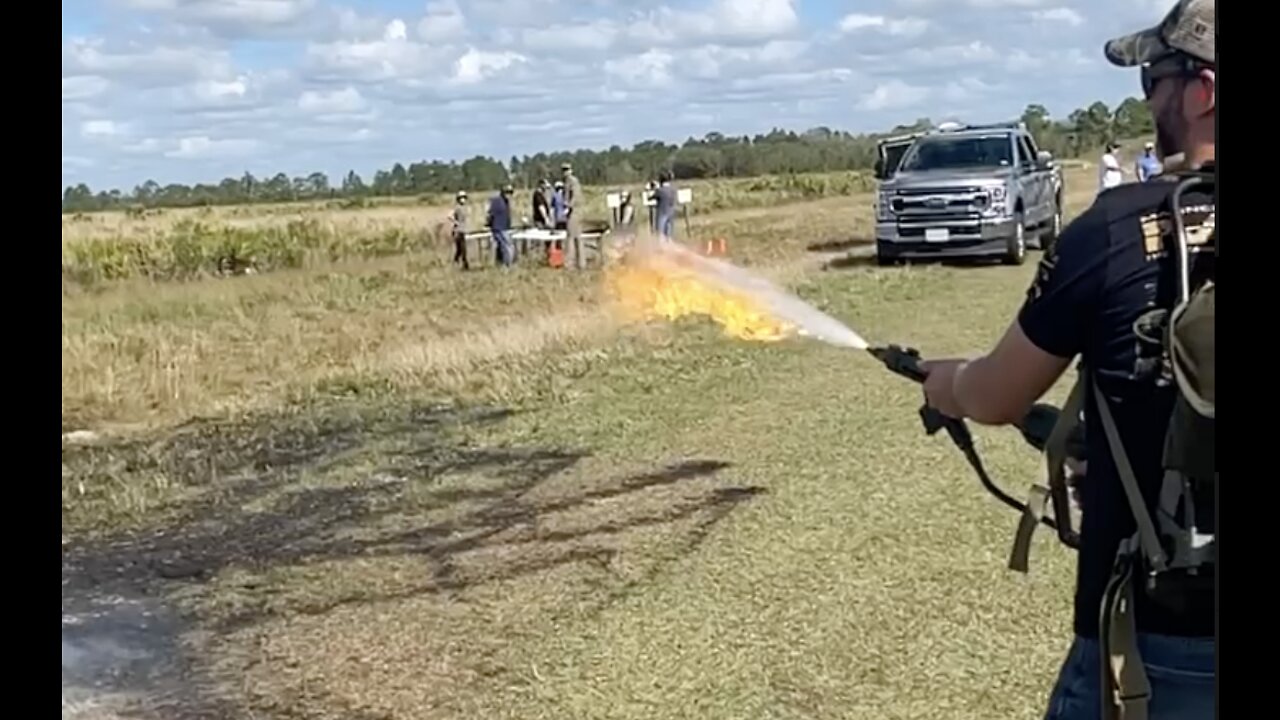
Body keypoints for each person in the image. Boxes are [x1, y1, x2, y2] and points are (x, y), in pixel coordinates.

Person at [918, 1, 1214, 718]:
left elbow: (994, 397)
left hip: (1166, 642)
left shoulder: (1117, 228)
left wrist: (943, 381)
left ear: (1204, 91)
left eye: (1155, 76)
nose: (1147, 96)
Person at [486, 183, 515, 267]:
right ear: (503, 192)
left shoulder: (507, 202)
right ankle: (507, 265)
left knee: (504, 246)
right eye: (507, 192)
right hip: (498, 228)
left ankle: (501, 264)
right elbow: (490, 214)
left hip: (505, 227)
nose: (509, 194)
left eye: (510, 192)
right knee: (507, 246)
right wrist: (489, 224)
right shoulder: (497, 201)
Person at [562, 162, 584, 268]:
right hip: (573, 211)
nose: (565, 172)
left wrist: (568, 207)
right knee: (576, 237)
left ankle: (570, 264)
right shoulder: (567, 181)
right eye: (563, 170)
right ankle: (580, 263)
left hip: (574, 212)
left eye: (567, 169)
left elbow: (575, 196)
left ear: (571, 170)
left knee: (571, 237)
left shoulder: (572, 181)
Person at [654, 172, 678, 241]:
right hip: (671, 211)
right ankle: (669, 245)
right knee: (669, 231)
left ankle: (662, 246)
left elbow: (652, 197)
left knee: (660, 231)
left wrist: (655, 188)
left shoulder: (660, 190)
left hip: (662, 212)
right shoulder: (673, 189)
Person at [449, 190, 470, 270]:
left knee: (460, 250)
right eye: (461, 198)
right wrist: (456, 222)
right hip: (458, 231)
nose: (463, 199)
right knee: (462, 249)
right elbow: (449, 216)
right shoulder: (457, 207)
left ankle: (456, 262)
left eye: (464, 198)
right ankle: (465, 265)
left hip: (464, 230)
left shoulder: (465, 208)